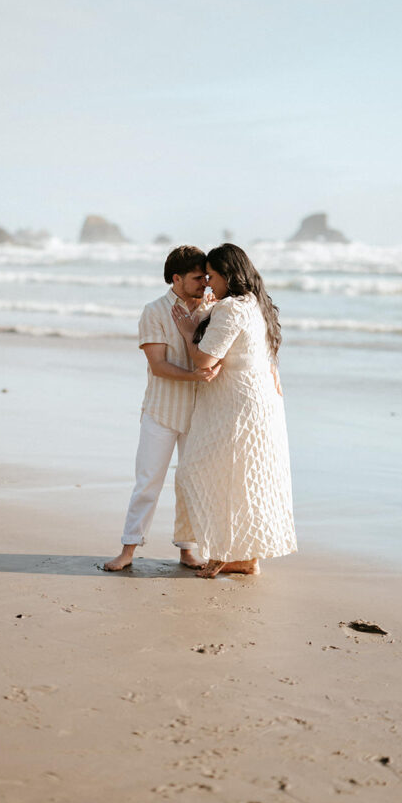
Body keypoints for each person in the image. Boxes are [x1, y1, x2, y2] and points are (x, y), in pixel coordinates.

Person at [171, 243, 297, 578]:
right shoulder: (257, 303)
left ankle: (224, 552)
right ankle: (244, 558)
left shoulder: (232, 309)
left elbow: (204, 359)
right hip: (259, 402)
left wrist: (187, 334)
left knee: (197, 471)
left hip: (236, 404)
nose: (209, 284)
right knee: (242, 479)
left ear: (228, 274)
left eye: (211, 276)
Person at [103, 245, 220, 571]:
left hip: (201, 411)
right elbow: (158, 365)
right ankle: (127, 550)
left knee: (192, 483)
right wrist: (193, 374)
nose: (205, 284)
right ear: (176, 278)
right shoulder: (154, 310)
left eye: (207, 278)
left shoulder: (213, 308)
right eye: (198, 278)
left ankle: (187, 550)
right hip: (161, 410)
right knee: (148, 482)